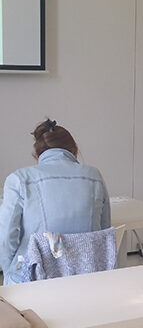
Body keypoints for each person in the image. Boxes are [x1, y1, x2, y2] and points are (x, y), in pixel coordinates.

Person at [0, 119, 110, 285]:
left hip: (34, 277)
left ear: (37, 156)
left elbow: (6, 235)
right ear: (74, 151)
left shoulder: (19, 179)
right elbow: (104, 231)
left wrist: (8, 271)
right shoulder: (94, 176)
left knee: (16, 271)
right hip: (87, 276)